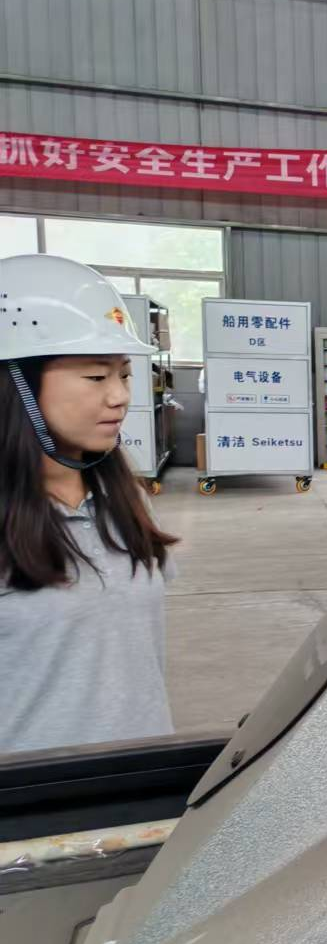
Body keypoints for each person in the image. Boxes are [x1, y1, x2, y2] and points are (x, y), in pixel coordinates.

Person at [0, 254, 179, 753]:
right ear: (17, 386)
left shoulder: (124, 499)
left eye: (124, 374)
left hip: (140, 783)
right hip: (34, 797)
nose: (120, 396)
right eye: (97, 378)